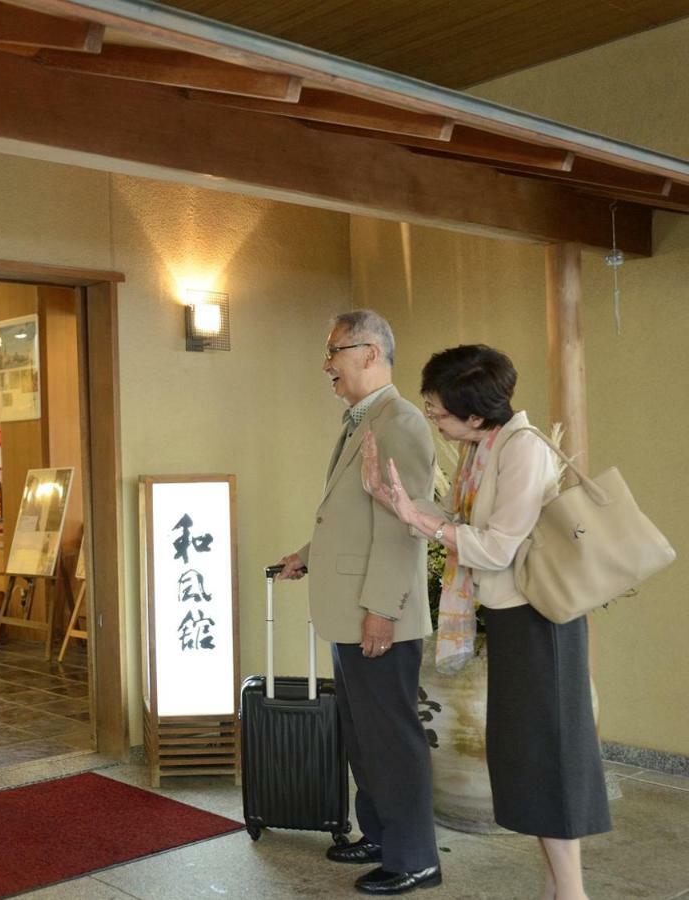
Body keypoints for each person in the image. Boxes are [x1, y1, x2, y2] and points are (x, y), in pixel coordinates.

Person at [362, 344, 610, 900]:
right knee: (529, 757)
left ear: (475, 415)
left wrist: (421, 524)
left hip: (542, 622)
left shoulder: (521, 450)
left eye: (439, 412)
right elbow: (457, 521)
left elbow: (497, 547)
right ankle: (557, 888)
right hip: (514, 618)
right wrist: (403, 504)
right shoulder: (484, 447)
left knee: (549, 759)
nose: (433, 419)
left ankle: (572, 894)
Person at [275, 310, 440, 896]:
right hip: (353, 609)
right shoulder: (362, 420)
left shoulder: (400, 423)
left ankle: (415, 856)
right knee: (364, 733)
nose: (327, 364)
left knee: (391, 736)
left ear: (370, 353)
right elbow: (351, 519)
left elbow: (402, 526)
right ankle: (379, 834)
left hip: (378, 615)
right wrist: (306, 554)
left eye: (335, 351)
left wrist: (382, 608)